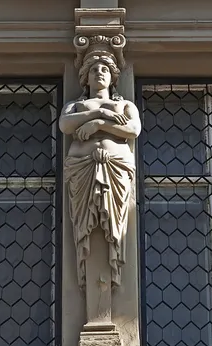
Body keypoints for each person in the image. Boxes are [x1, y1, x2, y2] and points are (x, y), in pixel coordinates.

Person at [59, 53, 141, 290]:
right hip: (81, 168)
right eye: (94, 69)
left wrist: (101, 124)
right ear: (85, 77)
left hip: (115, 167)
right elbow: (65, 125)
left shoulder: (125, 105)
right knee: (83, 225)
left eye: (104, 69)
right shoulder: (75, 106)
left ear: (113, 77)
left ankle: (110, 274)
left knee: (114, 225)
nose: (99, 72)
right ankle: (87, 276)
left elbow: (133, 129)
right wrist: (98, 113)